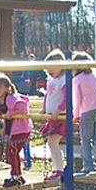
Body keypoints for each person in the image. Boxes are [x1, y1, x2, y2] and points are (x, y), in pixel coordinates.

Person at [0, 73, 32, 188]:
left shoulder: (11, 98)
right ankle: (17, 176)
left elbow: (23, 107)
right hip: (10, 128)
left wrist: (10, 113)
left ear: (7, 88)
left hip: (21, 129)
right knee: (11, 152)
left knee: (12, 152)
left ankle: (16, 176)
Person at [39, 49, 67, 181]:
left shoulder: (64, 79)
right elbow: (48, 95)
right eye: (48, 67)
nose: (50, 70)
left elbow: (67, 98)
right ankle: (57, 169)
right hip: (52, 115)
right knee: (51, 143)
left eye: (53, 67)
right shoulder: (51, 79)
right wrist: (44, 108)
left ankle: (59, 170)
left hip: (61, 116)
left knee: (52, 142)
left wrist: (58, 111)